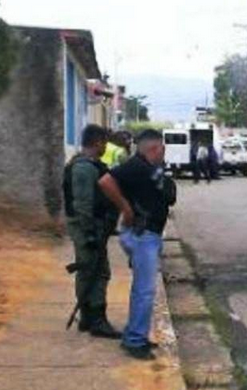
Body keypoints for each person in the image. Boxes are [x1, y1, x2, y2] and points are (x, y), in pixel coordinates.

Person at [98, 129, 177, 360]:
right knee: (144, 291)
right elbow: (105, 181)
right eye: (162, 147)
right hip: (142, 236)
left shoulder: (150, 168)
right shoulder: (135, 166)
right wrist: (125, 208)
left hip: (147, 236)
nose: (164, 151)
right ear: (154, 148)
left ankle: (135, 334)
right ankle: (134, 341)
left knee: (141, 290)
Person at [62, 124, 121, 338]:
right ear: (97, 143)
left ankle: (88, 318)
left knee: (88, 270)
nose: (106, 146)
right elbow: (83, 204)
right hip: (87, 227)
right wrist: (90, 235)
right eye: (104, 142)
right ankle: (97, 320)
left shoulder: (87, 164)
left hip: (92, 226)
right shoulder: (84, 168)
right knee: (97, 271)